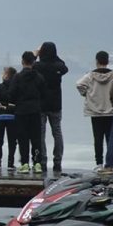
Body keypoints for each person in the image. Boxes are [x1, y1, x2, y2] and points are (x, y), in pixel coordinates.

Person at [76, 51, 113, 170]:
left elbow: (79, 84)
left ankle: (99, 164)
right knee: (110, 138)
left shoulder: (90, 76)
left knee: (97, 139)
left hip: (95, 111)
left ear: (97, 61)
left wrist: (86, 94)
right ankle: (110, 164)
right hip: (110, 111)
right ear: (107, 61)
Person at [8, 51, 45, 174]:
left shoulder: (17, 77)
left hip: (21, 111)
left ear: (22, 61)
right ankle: (37, 163)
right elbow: (43, 93)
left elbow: (11, 94)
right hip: (35, 110)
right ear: (33, 62)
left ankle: (24, 163)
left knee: (22, 138)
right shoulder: (39, 77)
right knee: (36, 138)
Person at [34, 41, 69, 172]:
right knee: (57, 132)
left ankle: (43, 161)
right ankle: (57, 161)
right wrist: (55, 56)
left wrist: (35, 54)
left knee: (41, 134)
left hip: (41, 103)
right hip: (55, 104)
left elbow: (28, 66)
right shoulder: (59, 66)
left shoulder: (38, 66)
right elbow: (65, 66)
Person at [0, 67, 18, 170]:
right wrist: (9, 106)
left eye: (3, 73)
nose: (2, 74)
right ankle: (10, 163)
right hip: (12, 117)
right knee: (12, 140)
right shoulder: (16, 88)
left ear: (7, 75)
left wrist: (1, 106)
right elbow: (17, 102)